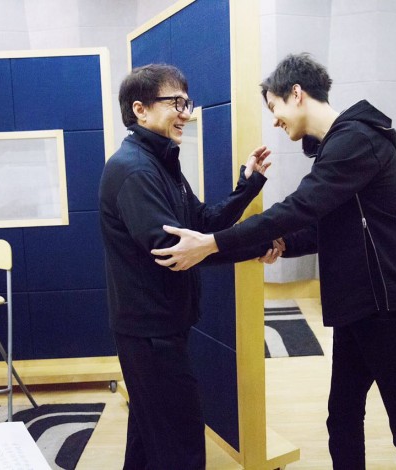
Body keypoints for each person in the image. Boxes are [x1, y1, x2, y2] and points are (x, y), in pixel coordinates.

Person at [150, 53, 396, 469]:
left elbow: (299, 208)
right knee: (342, 420)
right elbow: (330, 228)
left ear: (297, 93)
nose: (275, 120)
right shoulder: (337, 146)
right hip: (360, 309)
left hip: (392, 310)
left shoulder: (357, 141)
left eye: (274, 107)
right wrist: (280, 244)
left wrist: (212, 243)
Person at [99, 63, 278, 470]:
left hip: (160, 327)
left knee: (149, 439)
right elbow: (176, 251)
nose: (185, 112)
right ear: (140, 109)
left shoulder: (160, 162)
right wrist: (256, 243)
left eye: (186, 102)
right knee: (182, 447)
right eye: (175, 103)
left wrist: (247, 186)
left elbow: (200, 224)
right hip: (150, 333)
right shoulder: (135, 170)